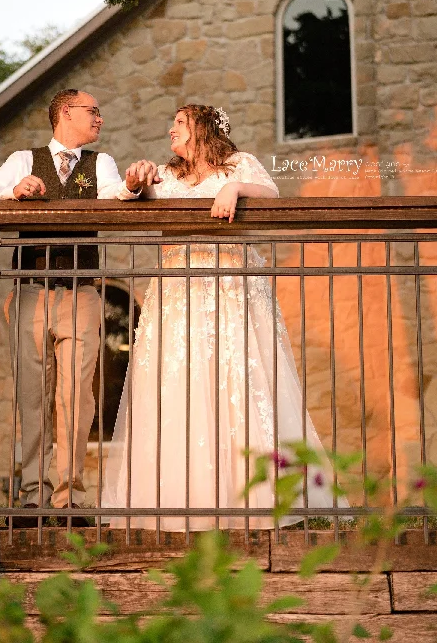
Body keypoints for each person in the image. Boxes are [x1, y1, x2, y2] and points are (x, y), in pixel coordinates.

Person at [103, 104, 343, 530]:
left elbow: (272, 195)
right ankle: (182, 500)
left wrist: (235, 190)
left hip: (231, 286)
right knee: (180, 383)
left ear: (202, 129)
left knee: (237, 381)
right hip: (179, 291)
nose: (170, 129)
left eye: (179, 122)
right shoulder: (164, 173)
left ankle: (253, 497)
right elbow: (137, 196)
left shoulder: (239, 164)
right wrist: (135, 181)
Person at [0, 89, 158, 527]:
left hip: (82, 293)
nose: (100, 119)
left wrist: (131, 187)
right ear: (65, 113)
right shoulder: (23, 159)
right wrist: (13, 193)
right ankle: (33, 497)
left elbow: (114, 193)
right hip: (30, 292)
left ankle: (69, 497)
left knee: (77, 397)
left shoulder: (99, 163)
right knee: (33, 397)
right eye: (93, 111)